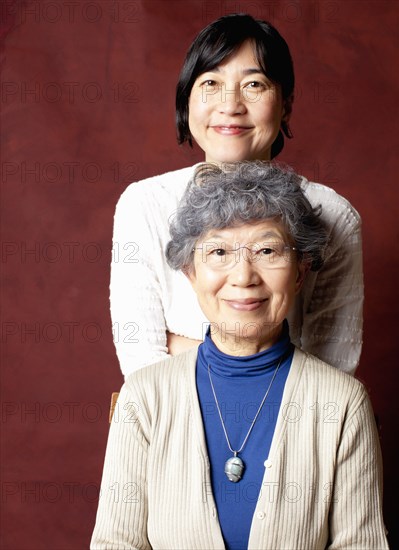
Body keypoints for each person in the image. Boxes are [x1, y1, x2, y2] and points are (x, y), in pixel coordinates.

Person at [92, 163, 387, 549]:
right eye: (219, 251)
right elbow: (116, 543)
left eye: (267, 250)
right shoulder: (144, 397)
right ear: (191, 273)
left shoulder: (343, 402)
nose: (244, 276)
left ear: (299, 272)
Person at [111, 13, 363, 377]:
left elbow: (332, 376)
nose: (230, 105)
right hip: (175, 420)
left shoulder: (334, 215)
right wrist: (268, 363)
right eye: (211, 83)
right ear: (186, 102)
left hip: (293, 425)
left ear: (286, 104)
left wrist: (181, 344)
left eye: (254, 85)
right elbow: (141, 361)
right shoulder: (145, 205)